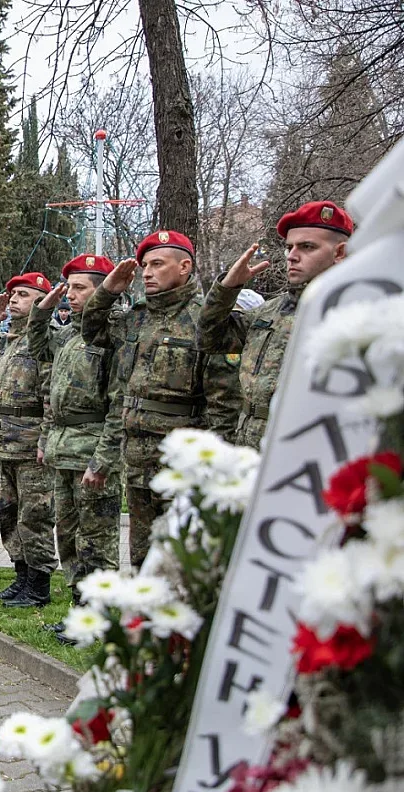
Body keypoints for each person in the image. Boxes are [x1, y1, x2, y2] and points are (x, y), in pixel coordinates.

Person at [82, 230, 242, 567]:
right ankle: (145, 617)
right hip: (137, 458)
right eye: (144, 266)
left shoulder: (205, 320)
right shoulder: (137, 317)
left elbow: (223, 401)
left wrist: (214, 464)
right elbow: (93, 331)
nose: (147, 272)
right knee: (141, 554)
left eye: (157, 264)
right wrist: (108, 290)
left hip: (181, 460)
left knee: (181, 557)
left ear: (184, 267)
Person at [196, 202, 351, 449]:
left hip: (304, 450)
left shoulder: (355, 313)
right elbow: (209, 338)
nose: (292, 256)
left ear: (339, 252)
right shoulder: (270, 310)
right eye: (289, 247)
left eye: (307, 247)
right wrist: (227, 289)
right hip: (249, 447)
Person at [28, 256, 122, 636]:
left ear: (104, 288)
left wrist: (103, 460)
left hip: (92, 449)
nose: (72, 295)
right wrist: (45, 304)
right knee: (67, 534)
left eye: (80, 287)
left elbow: (119, 403)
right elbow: (38, 343)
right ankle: (78, 608)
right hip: (64, 447)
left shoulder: (113, 335)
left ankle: (99, 616)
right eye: (69, 288)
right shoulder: (69, 335)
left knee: (96, 539)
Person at [0, 272, 59, 608]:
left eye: (23, 295)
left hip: (30, 444)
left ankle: (39, 586)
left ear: (42, 301)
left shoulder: (47, 339)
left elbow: (51, 393)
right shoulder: (10, 338)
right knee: (8, 513)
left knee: (35, 516)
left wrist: (45, 439)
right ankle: (21, 578)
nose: (13, 300)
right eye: (12, 294)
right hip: (5, 443)